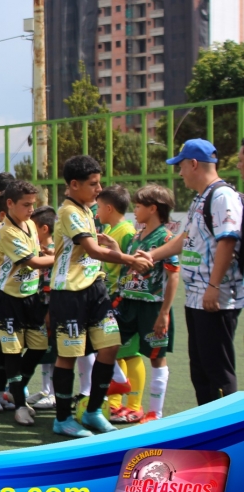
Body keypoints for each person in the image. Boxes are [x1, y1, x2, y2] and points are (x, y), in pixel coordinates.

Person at [49, 155, 151, 438]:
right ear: (74, 184)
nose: (99, 188)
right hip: (69, 293)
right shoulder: (68, 211)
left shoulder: (86, 209)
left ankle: (93, 411)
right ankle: (62, 419)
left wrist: (115, 249)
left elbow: (94, 252)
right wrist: (130, 259)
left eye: (99, 182)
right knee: (68, 356)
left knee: (110, 346)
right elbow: (92, 251)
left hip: (95, 289)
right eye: (93, 184)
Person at [139, 139, 241, 406]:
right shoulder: (201, 198)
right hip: (197, 297)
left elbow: (227, 241)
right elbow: (185, 238)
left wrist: (214, 286)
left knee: (218, 370)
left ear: (194, 164)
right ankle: (207, 424)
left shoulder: (222, 196)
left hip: (216, 298)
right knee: (201, 370)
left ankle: (229, 427)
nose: (180, 172)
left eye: (181, 166)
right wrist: (151, 255)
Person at [0, 181, 54, 425]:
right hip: (5, 297)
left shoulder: (30, 225)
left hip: (30, 297)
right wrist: (63, 257)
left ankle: (13, 390)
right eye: (26, 204)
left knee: (38, 347)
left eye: (33, 204)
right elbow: (31, 262)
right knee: (11, 351)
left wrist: (49, 254)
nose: (31, 209)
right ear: (10, 203)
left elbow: (36, 255)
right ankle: (19, 404)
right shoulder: (5, 230)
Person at [115, 184, 180, 423]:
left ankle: (155, 412)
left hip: (153, 307)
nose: (135, 210)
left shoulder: (165, 238)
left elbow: (173, 276)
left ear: (153, 209)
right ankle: (119, 384)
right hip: (128, 303)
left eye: (139, 206)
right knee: (105, 342)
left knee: (156, 357)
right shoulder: (136, 236)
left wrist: (164, 313)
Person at [95, 185, 144, 423]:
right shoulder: (109, 229)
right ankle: (115, 403)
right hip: (110, 296)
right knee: (115, 351)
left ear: (108, 208)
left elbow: (132, 265)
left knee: (130, 353)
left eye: (98, 207)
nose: (96, 212)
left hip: (122, 299)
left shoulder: (126, 231)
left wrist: (121, 295)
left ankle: (135, 405)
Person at [26, 205, 58, 410]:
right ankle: (46, 389)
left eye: (33, 227)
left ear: (44, 229)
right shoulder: (40, 251)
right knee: (44, 350)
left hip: (50, 307)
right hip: (39, 304)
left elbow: (52, 283)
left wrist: (49, 310)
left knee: (54, 351)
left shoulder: (54, 251)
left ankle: (54, 393)